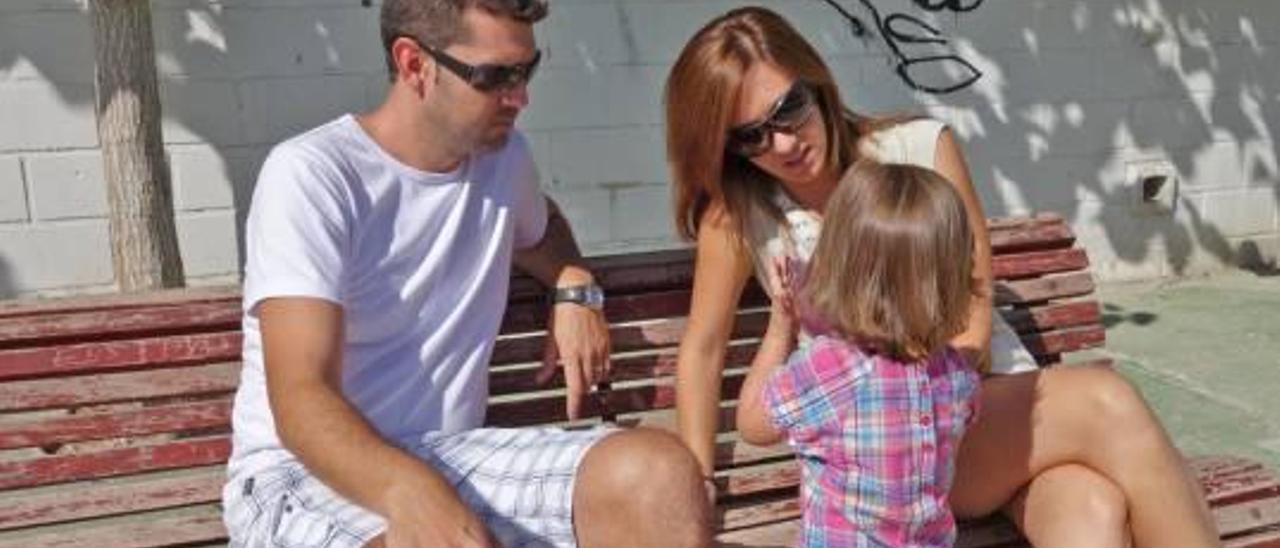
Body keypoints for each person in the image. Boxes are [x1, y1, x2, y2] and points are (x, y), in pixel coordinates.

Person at [664, 7, 1218, 547]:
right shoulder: (739, 215)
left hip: (971, 395)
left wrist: (941, 381)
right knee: (1106, 400)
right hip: (882, 444)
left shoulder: (917, 148)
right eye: (751, 136)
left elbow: (974, 299)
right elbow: (704, 348)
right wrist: (698, 482)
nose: (782, 143)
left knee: (1091, 510)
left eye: (788, 109)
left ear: (817, 82)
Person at [221, 1, 710, 546]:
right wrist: (412, 493)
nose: (520, 96)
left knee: (657, 476)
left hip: (447, 455)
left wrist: (574, 286)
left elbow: (541, 229)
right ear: (413, 64)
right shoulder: (315, 176)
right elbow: (301, 397)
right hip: (298, 472)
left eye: (528, 70)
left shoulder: (503, 159)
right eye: (495, 76)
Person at [737, 161, 984, 546]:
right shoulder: (956, 373)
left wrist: (780, 328)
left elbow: (752, 424)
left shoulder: (833, 367)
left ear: (837, 268)